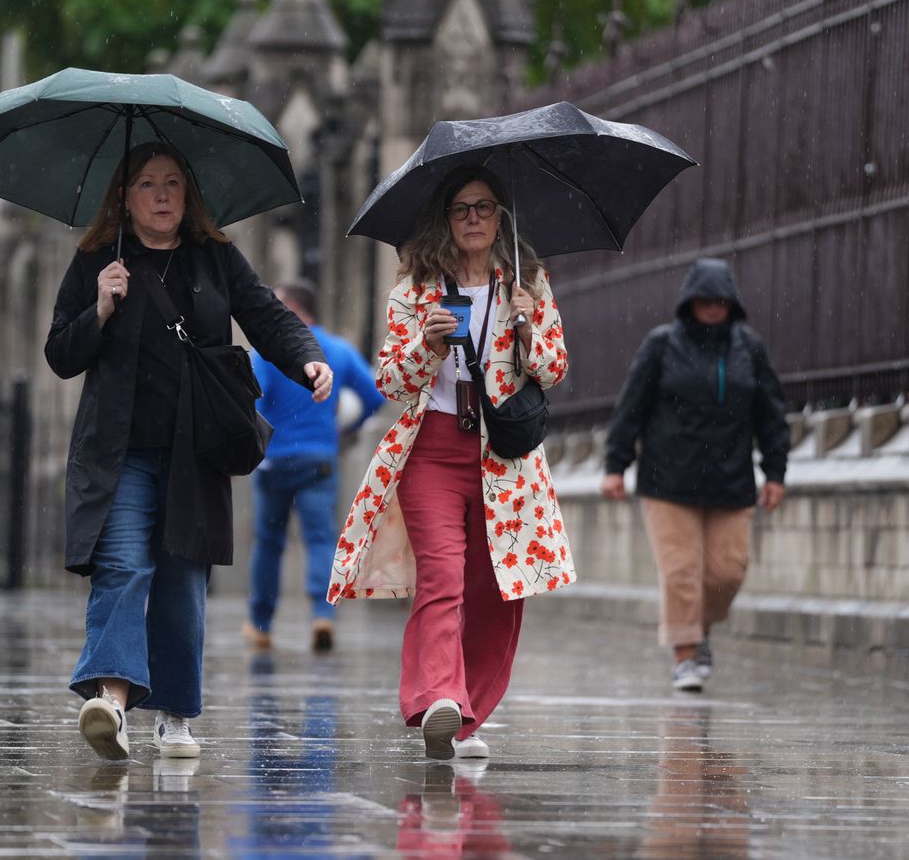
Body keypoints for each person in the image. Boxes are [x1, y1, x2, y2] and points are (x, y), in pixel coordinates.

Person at [45, 141, 332, 763]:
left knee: (182, 581)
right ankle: (112, 702)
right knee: (123, 568)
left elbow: (267, 316)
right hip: (118, 452)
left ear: (189, 193)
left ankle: (174, 716)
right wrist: (100, 307)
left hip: (193, 450)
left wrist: (307, 357)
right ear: (125, 197)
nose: (162, 195)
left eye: (173, 182)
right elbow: (60, 354)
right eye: (148, 183)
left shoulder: (216, 257)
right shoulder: (98, 259)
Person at [326, 166, 576, 761]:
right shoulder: (415, 288)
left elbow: (554, 370)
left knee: (497, 593)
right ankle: (439, 697)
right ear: (444, 219)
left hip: (504, 458)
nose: (472, 219)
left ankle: (467, 718)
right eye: (460, 209)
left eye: (484, 207)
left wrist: (526, 327)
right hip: (432, 450)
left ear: (501, 217)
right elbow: (391, 380)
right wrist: (429, 344)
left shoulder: (528, 281)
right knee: (442, 577)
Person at [600, 257, 790, 691]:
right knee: (681, 572)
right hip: (668, 479)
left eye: (720, 300)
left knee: (728, 573)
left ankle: (698, 629)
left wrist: (775, 473)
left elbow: (771, 414)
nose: (713, 307)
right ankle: (685, 655)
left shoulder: (749, 348)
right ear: (689, 301)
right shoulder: (661, 345)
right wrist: (616, 465)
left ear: (732, 304)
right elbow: (631, 407)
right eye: (705, 300)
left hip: (731, 479)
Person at [242, 280, 386, 652]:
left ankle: (261, 624)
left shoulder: (268, 352)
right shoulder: (337, 350)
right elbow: (374, 395)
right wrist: (345, 428)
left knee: (269, 544)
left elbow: (253, 400)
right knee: (320, 538)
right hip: (319, 459)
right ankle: (323, 617)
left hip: (274, 461)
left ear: (293, 308)